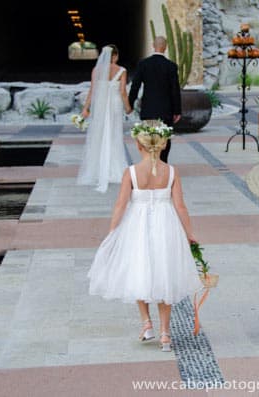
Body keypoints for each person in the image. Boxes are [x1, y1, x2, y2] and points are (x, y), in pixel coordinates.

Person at [87, 123, 202, 351]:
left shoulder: (130, 172)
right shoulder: (171, 172)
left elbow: (121, 204)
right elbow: (180, 206)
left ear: (137, 145)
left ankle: (146, 323)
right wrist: (189, 234)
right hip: (166, 224)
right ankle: (165, 334)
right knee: (165, 273)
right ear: (164, 144)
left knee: (139, 268)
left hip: (136, 225)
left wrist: (113, 231)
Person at [77, 44, 132, 193]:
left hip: (100, 105)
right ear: (115, 56)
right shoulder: (122, 71)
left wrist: (86, 108)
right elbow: (123, 92)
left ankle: (98, 169)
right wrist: (128, 108)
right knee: (114, 135)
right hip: (114, 105)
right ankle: (115, 168)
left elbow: (92, 90)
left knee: (100, 134)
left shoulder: (97, 70)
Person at [128, 36, 182, 163]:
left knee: (148, 136)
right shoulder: (171, 66)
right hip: (166, 109)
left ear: (153, 45)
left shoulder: (143, 64)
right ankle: (163, 162)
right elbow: (175, 90)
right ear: (166, 47)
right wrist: (177, 110)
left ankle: (149, 161)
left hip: (148, 108)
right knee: (165, 137)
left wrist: (130, 104)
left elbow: (135, 86)